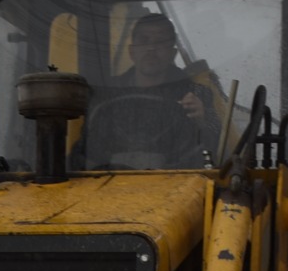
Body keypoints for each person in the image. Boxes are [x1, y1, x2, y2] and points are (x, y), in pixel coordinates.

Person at [93, 14, 227, 165]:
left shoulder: (197, 94)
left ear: (173, 53)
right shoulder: (106, 94)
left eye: (161, 42)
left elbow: (219, 150)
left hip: (179, 181)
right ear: (132, 51)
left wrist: (203, 122)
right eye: (144, 40)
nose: (151, 48)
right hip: (110, 182)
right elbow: (86, 151)